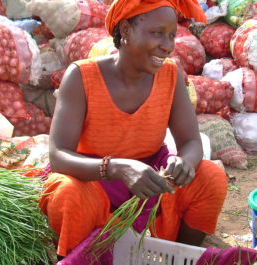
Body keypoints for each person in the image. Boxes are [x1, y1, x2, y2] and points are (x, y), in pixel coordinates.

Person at [39, 0, 228, 261]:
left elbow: (191, 141)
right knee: (67, 194)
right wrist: (117, 168)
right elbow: (58, 155)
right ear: (126, 30)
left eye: (172, 35)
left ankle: (178, 255)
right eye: (157, 33)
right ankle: (88, 257)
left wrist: (184, 162)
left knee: (210, 178)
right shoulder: (82, 77)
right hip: (94, 178)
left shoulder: (170, 74)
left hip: (152, 178)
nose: (168, 45)